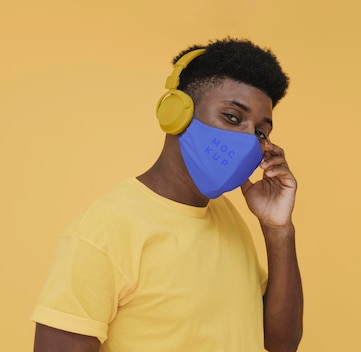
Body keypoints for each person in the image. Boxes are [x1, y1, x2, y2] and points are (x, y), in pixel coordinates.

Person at [31, 38, 303, 352]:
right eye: (231, 117)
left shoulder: (228, 218)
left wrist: (278, 229)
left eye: (260, 131)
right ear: (177, 113)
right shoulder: (103, 233)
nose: (247, 140)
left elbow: (281, 342)